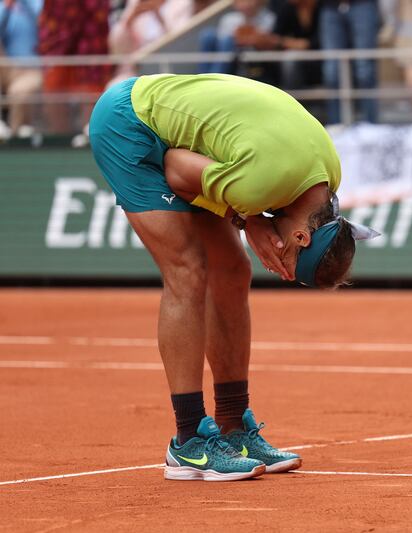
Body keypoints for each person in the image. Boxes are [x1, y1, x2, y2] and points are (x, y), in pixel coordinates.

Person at [88, 73, 376, 481]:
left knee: (233, 270)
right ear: (300, 234)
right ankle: (188, 441)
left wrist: (249, 215)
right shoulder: (259, 185)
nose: (278, 262)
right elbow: (175, 170)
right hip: (129, 123)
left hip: (189, 132)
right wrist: (246, 216)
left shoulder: (327, 177)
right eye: (288, 258)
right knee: (187, 270)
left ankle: (234, 426)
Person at [38, 0, 112, 134]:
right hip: (59, 50)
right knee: (55, 96)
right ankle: (59, 144)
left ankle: (89, 141)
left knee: (92, 103)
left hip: (91, 50)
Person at [318, 0, 381, 123]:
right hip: (330, 7)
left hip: (363, 5)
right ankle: (337, 126)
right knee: (332, 73)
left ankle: (370, 126)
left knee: (365, 70)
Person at [198, 0, 279, 81]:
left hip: (254, 57)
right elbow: (222, 42)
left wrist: (246, 38)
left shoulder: (269, 18)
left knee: (227, 41)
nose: (247, 5)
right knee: (208, 35)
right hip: (231, 55)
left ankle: (214, 78)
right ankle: (204, 76)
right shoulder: (229, 18)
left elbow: (265, 41)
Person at [0, 0, 43, 138]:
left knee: (19, 91)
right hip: (7, 68)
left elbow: (42, 20)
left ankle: (12, 137)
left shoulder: (37, 4)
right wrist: (6, 8)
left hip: (32, 69)